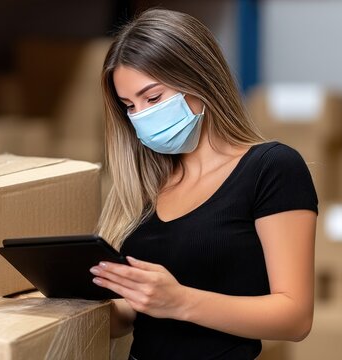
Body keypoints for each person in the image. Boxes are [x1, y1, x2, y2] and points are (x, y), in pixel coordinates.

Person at [88, 8, 318, 360]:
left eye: (153, 98)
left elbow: (295, 317)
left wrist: (180, 301)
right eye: (129, 106)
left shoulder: (272, 168)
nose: (141, 117)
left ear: (200, 79)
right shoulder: (146, 183)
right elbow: (131, 315)